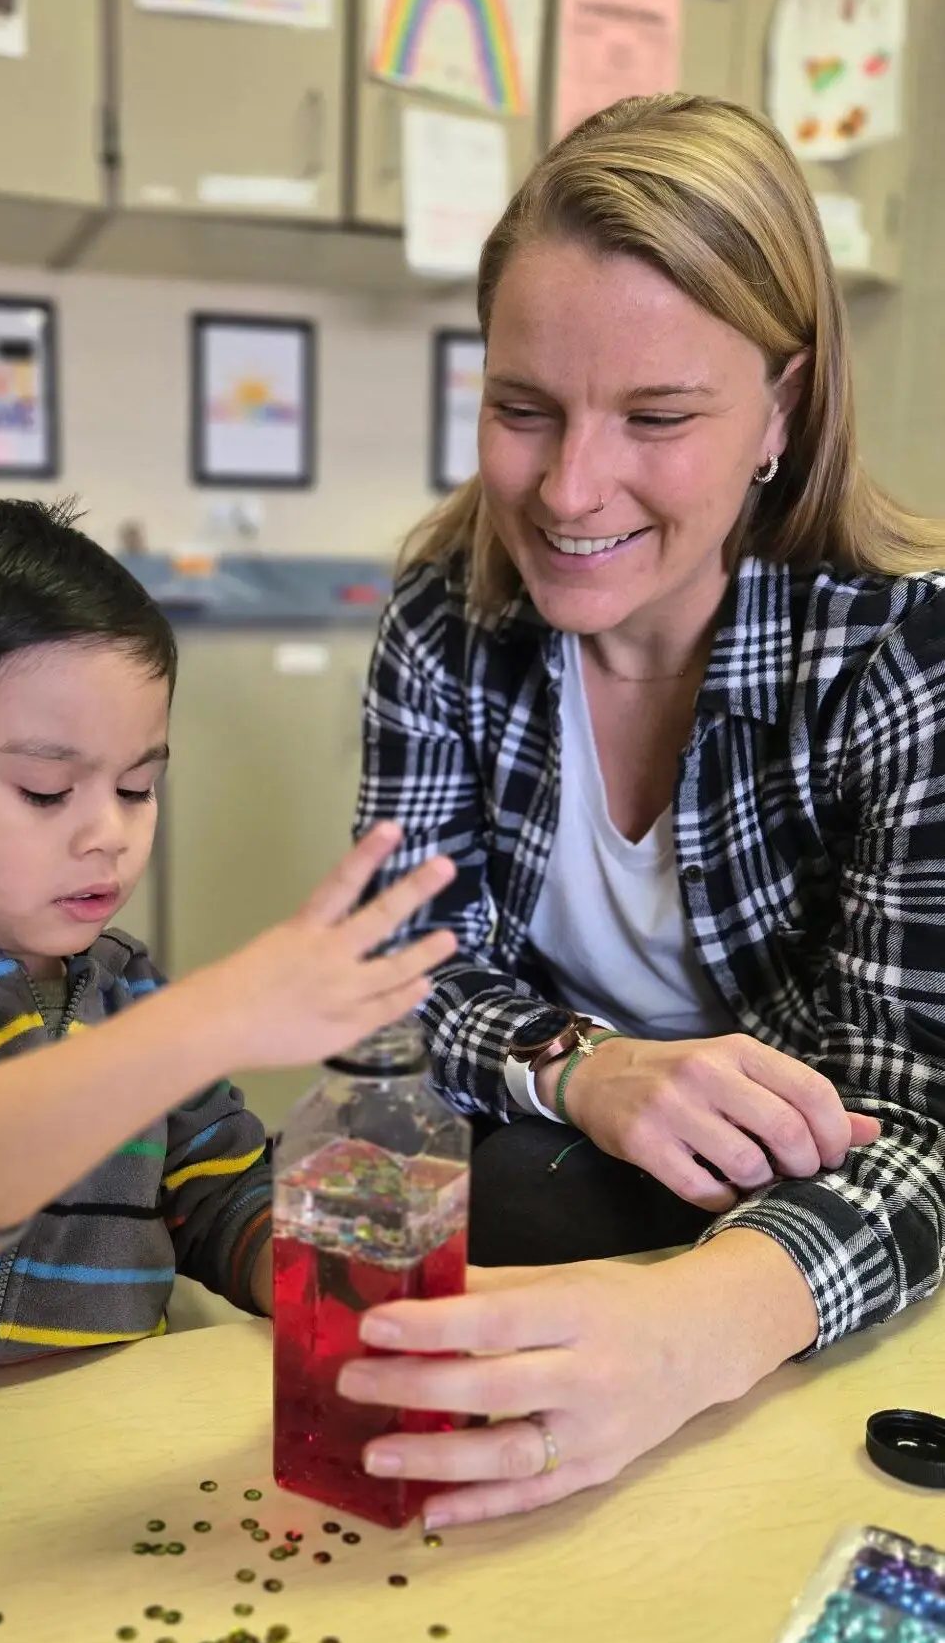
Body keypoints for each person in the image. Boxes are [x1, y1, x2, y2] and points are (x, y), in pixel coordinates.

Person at [345, 93, 945, 1529]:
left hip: (811, 1235)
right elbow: (396, 988)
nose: (568, 489)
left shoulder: (900, 660)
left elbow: (918, 1122)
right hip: (548, 1171)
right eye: (520, 409)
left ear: (779, 410)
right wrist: (580, 1068)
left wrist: (688, 1334)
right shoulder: (441, 624)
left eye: (658, 417)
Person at [0, 499, 453, 1411]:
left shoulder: (126, 990)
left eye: (137, 786)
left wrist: (356, 1288)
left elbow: (222, 1202)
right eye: (45, 790)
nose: (109, 834)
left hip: (79, 1445)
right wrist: (199, 1026)